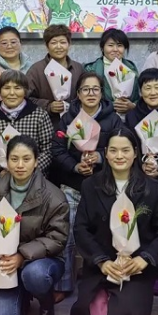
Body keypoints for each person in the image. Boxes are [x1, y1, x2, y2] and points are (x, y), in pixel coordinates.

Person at [61, 129, 158, 315]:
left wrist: (144, 259)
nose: (120, 156)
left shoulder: (153, 189)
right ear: (106, 154)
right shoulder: (91, 185)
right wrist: (101, 261)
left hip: (136, 269)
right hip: (102, 266)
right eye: (114, 150)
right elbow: (81, 229)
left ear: (135, 153)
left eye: (125, 150)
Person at [0, 135, 70, 315]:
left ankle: (46, 307)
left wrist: (22, 255)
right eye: (14, 159)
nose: (20, 165)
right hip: (6, 263)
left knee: (35, 274)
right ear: (6, 161)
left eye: (26, 159)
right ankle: (23, 295)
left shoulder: (53, 196)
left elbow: (57, 238)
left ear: (36, 161)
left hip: (43, 261)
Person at [51, 72, 123, 300]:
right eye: (85, 89)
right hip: (73, 185)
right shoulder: (68, 119)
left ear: (102, 93)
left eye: (95, 89)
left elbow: (122, 149)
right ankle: (64, 283)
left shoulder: (113, 119)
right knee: (68, 230)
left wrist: (100, 158)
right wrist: (75, 167)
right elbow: (57, 150)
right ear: (78, 94)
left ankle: (107, 277)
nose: (90, 94)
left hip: (105, 186)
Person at [0, 70, 53, 187]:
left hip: (33, 182)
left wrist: (27, 170)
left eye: (17, 88)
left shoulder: (39, 115)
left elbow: (48, 150)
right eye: (6, 88)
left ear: (25, 91)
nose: (12, 93)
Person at [26, 24, 85, 127]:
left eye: (63, 42)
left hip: (76, 124)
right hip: (46, 126)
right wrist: (48, 106)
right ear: (46, 45)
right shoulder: (36, 70)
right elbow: (26, 100)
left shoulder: (78, 68)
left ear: (69, 44)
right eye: (54, 43)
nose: (59, 46)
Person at [84, 29, 140, 113]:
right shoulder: (90, 69)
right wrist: (110, 106)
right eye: (110, 45)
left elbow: (138, 96)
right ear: (102, 48)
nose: (115, 49)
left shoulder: (131, 68)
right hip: (102, 119)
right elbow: (85, 98)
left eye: (120, 45)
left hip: (129, 118)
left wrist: (132, 106)